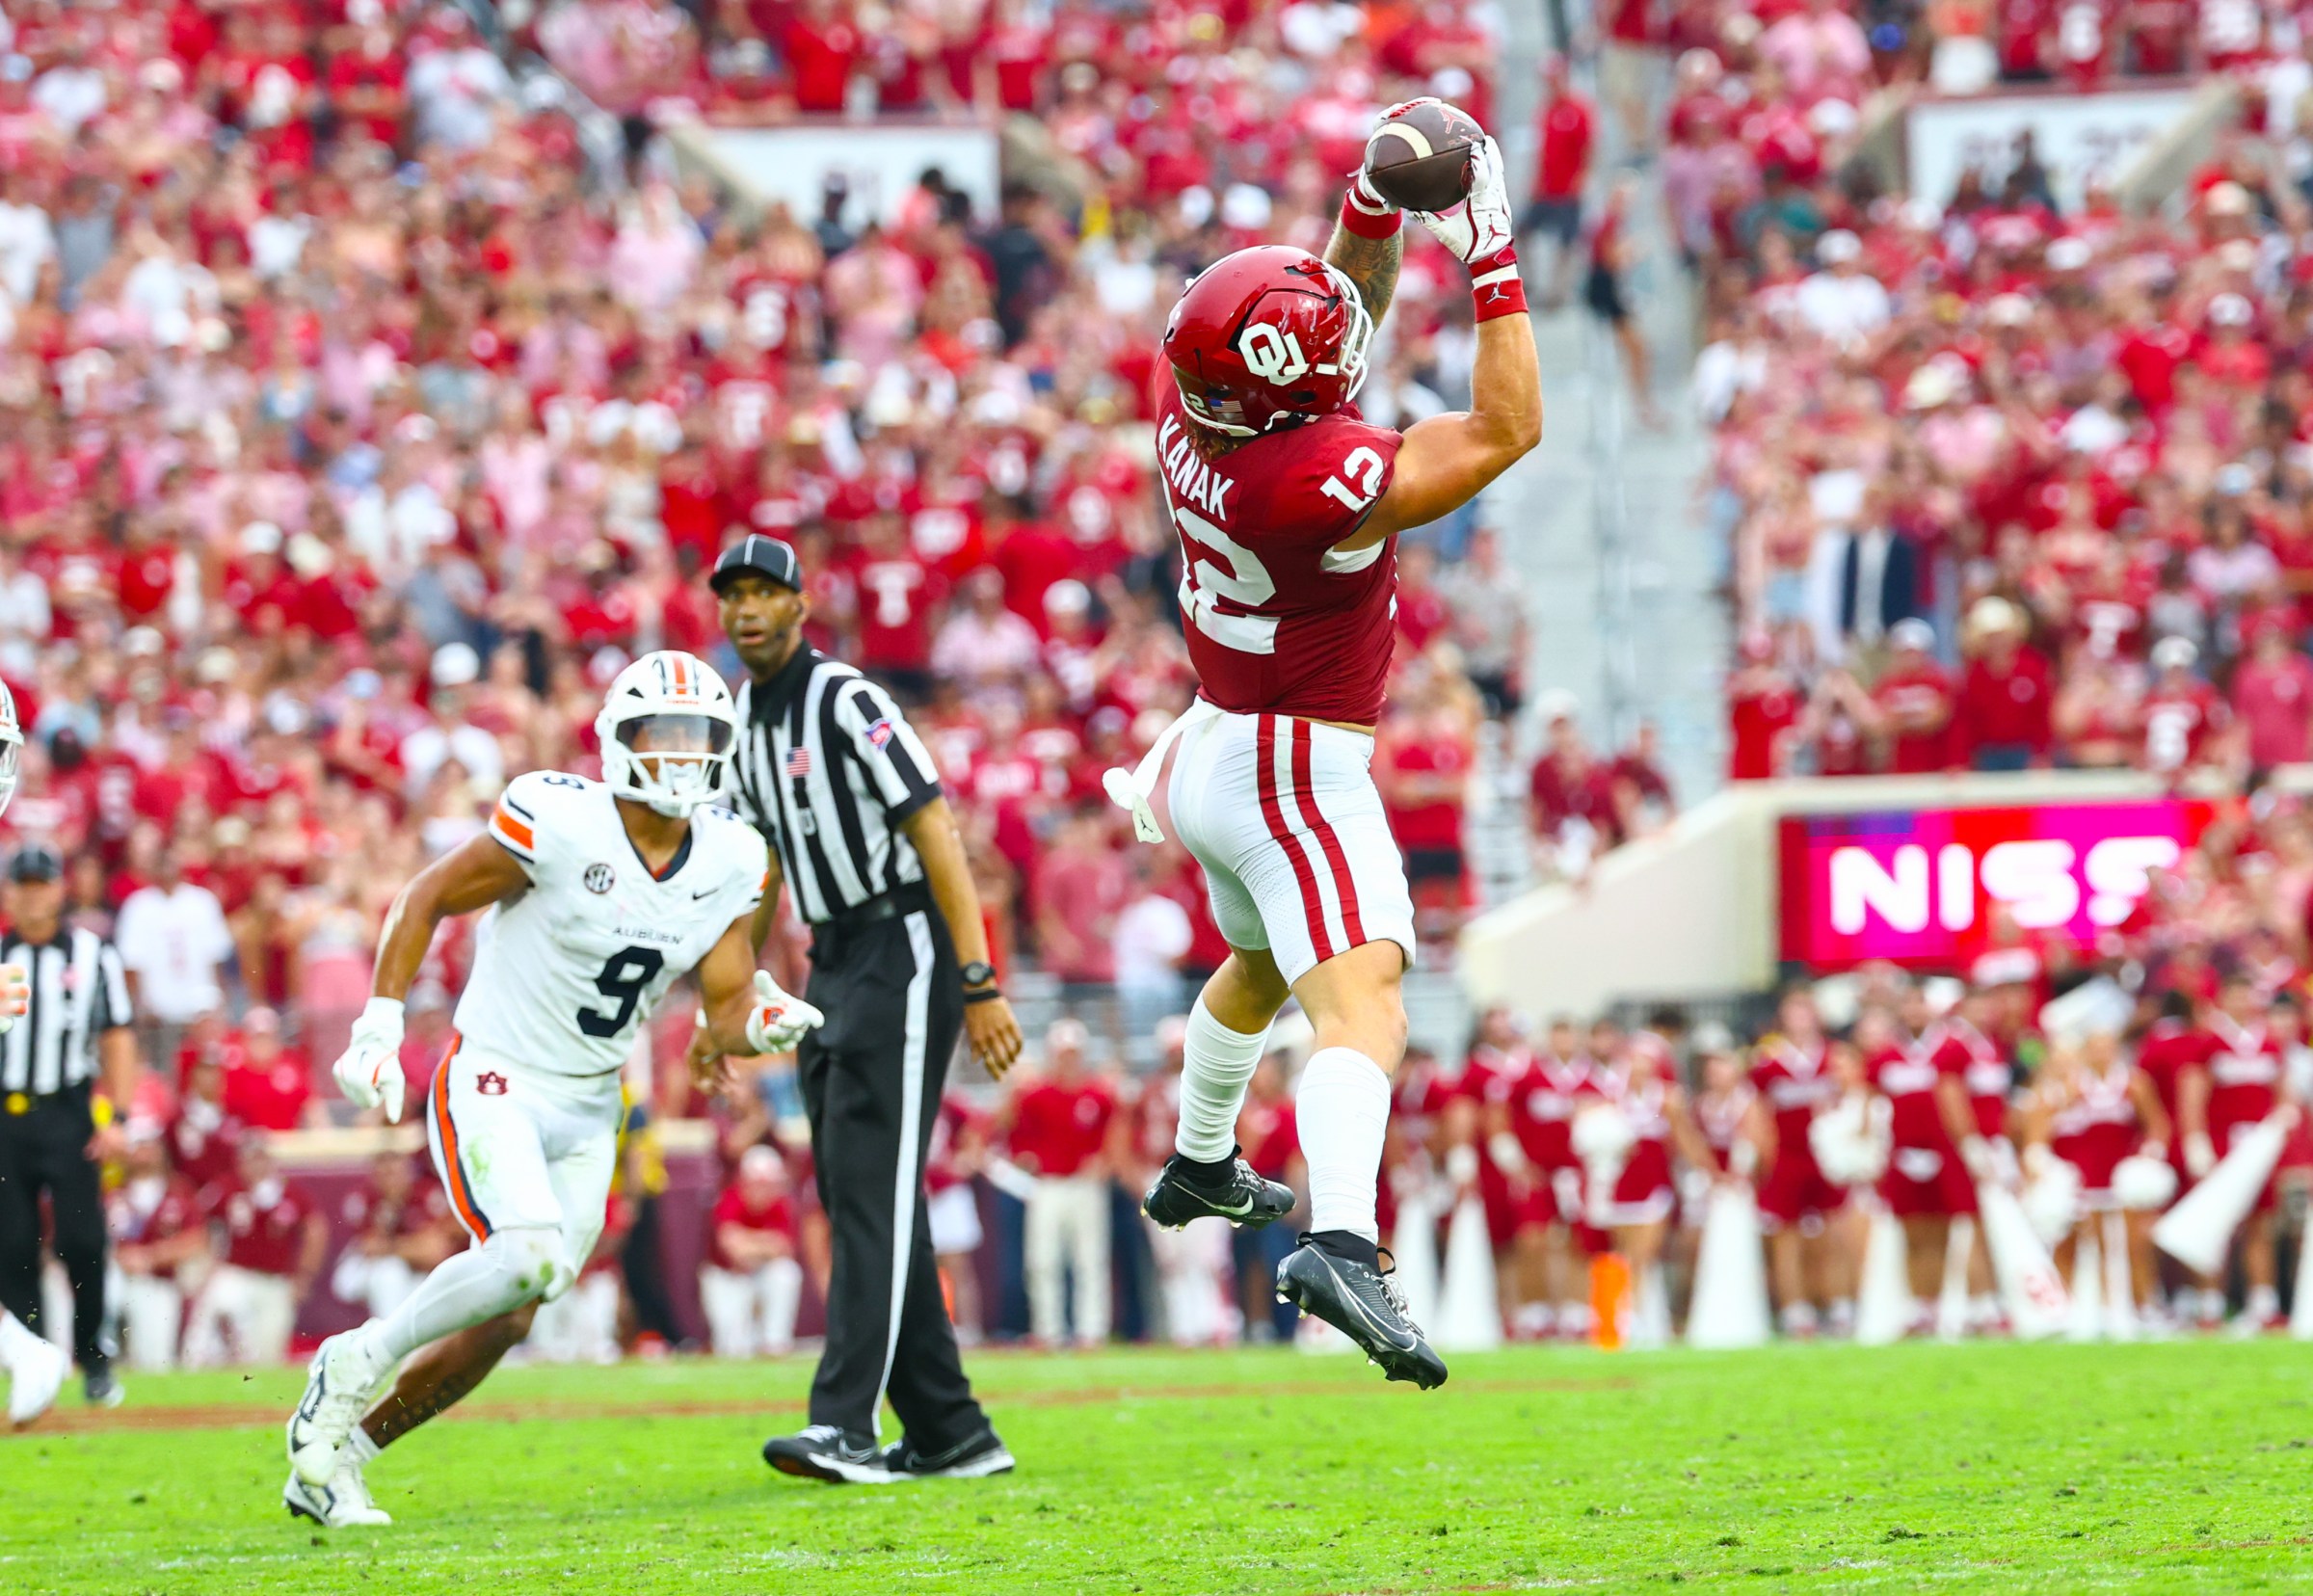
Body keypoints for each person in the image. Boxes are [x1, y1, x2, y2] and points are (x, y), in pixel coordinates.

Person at [1115, 95, 1541, 1389]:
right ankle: (1342, 1241)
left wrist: (1369, 204)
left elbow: (1330, 331)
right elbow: (1506, 429)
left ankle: (1199, 1156)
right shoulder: (1311, 479)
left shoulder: (1192, 404)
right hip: (1295, 761)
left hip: (1210, 744)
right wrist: (1487, 245)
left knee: (1256, 966)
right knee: (1365, 1007)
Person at [279, 650, 821, 1528]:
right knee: (525, 1255)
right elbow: (425, 897)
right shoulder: (561, 820)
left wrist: (760, 1026)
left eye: (699, 737)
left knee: (518, 1309)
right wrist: (378, 1024)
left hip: (592, 1098)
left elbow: (724, 1007)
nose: (682, 755)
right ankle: (351, 1358)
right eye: (665, 734)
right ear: (619, 736)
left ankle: (341, 1458)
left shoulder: (732, 854)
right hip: (497, 1072)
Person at [711, 533, 1025, 1484]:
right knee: (857, 1188)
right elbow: (758, 870)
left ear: (801, 606)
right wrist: (720, 1000)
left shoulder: (845, 699)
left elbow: (936, 827)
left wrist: (977, 978)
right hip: (831, 956)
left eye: (767, 592)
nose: (749, 609)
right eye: (734, 596)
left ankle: (842, 1422)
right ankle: (950, 1430)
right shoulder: (744, 722)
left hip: (905, 939)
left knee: (875, 1188)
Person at [0, 839, 138, 1409]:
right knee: (12, 1245)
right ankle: (33, 1365)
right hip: (5, 1114)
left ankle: (94, 1361)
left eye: (41, 884)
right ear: (10, 892)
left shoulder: (91, 951)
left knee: (84, 1241)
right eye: (23, 885)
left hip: (69, 1109)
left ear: (59, 888)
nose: (33, 896)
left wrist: (120, 1115)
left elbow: (117, 1036)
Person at [1005, 1019, 1117, 1349]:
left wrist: (1105, 1162)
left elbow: (1115, 1133)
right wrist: (1025, 1158)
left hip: (1085, 1183)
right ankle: (1048, 1329)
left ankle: (1091, 1330)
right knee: (1043, 1260)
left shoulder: (1097, 1094)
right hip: (1049, 1184)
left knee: (1090, 1260)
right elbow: (1015, 1133)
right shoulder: (1035, 1095)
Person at [181, 1135, 324, 1368]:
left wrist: (304, 1276)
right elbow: (199, 1223)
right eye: (250, 1159)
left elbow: (315, 1229)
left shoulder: (289, 1192)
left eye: (261, 1158)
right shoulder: (226, 1187)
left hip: (276, 1279)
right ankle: (196, 1365)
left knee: (268, 1353)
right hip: (236, 1273)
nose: (256, 1166)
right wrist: (205, 1265)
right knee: (217, 1302)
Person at [699, 1144, 805, 1358]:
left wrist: (749, 1242)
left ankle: (776, 1340)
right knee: (733, 1349)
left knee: (786, 1273)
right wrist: (765, 1243)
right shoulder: (730, 1199)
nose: (764, 1191)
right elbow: (734, 1250)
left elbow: (784, 1249)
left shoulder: (781, 1204)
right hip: (727, 1276)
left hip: (762, 1273)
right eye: (759, 1184)